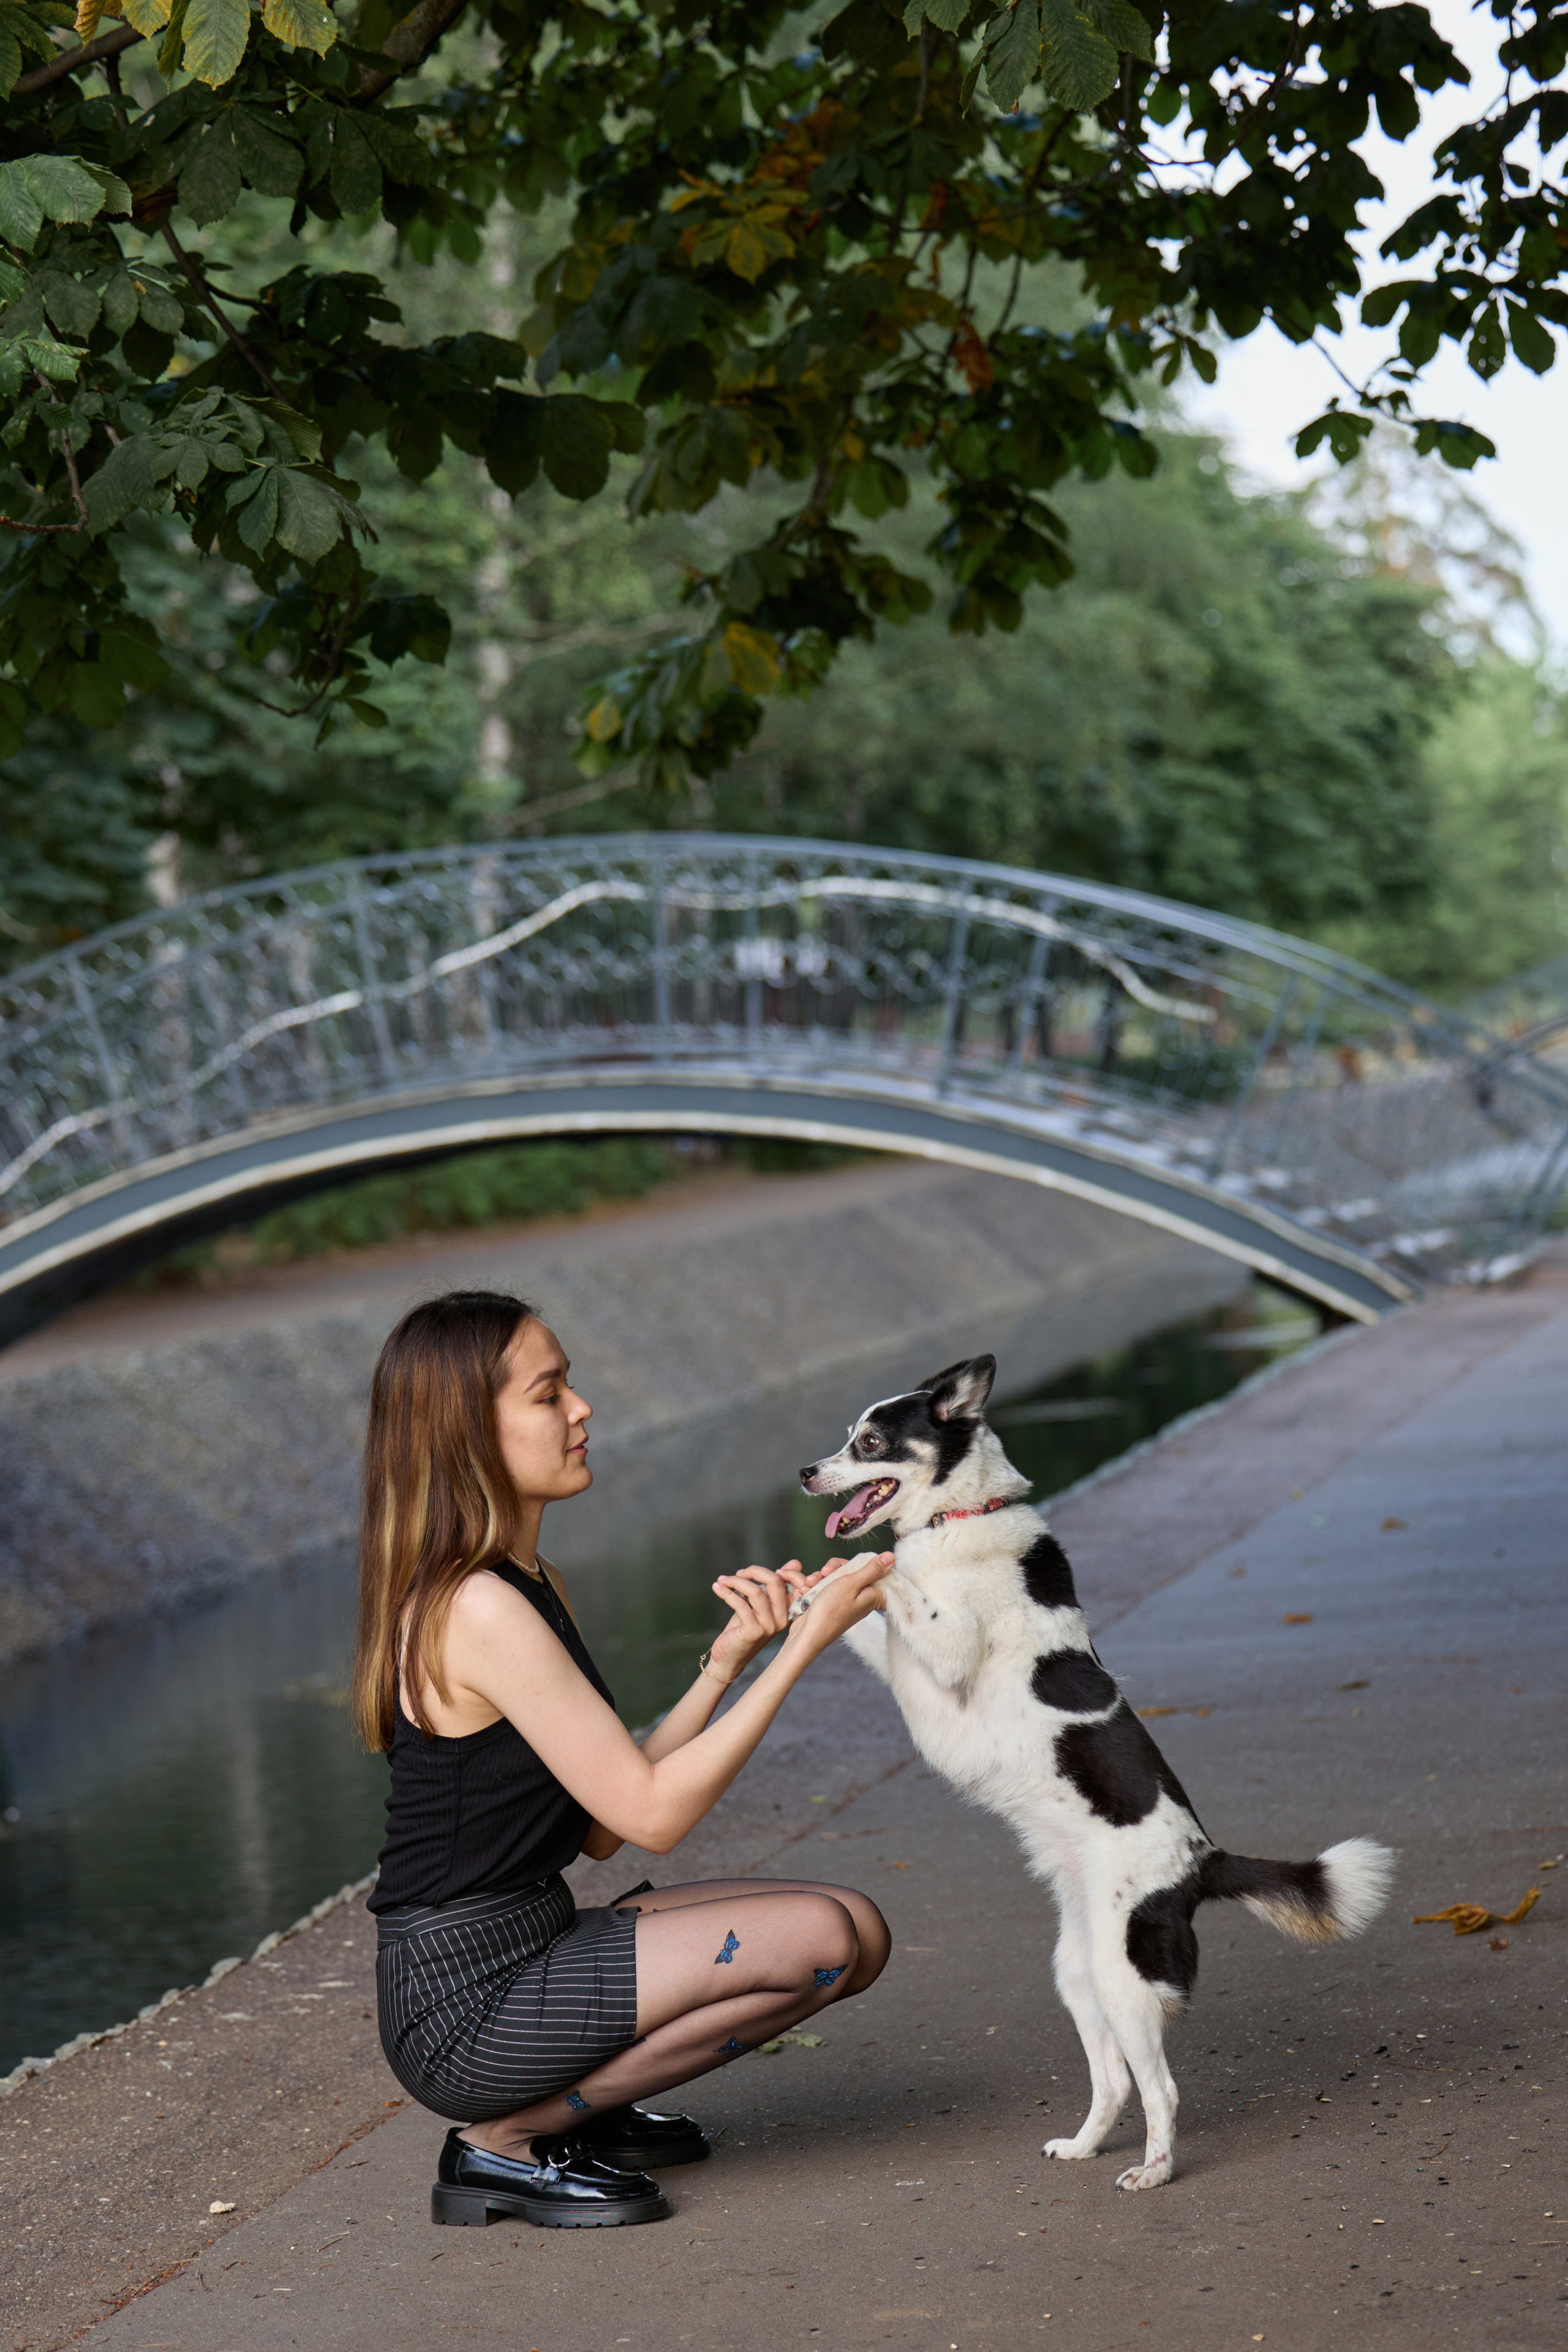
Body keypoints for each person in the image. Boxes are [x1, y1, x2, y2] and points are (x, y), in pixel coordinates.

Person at [351, 1288, 893, 2231]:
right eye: (548, 1393)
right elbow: (653, 1819)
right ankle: (507, 2142)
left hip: (532, 1945)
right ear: (467, 1432)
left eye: (571, 1387)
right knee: (822, 1940)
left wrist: (727, 1665)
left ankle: (584, 2109)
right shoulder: (474, 1608)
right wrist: (809, 1649)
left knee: (859, 1929)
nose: (581, 1409)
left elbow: (601, 1827)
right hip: (464, 2006)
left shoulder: (524, 1582)